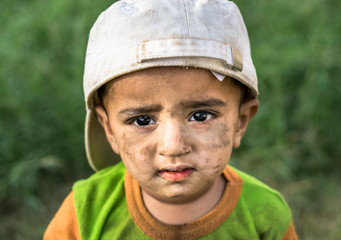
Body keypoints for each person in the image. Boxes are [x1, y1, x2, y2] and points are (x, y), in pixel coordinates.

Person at [44, 0, 298, 239]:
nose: (173, 146)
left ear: (240, 122)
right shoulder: (83, 213)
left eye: (200, 116)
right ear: (109, 129)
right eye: (142, 120)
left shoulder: (266, 216)